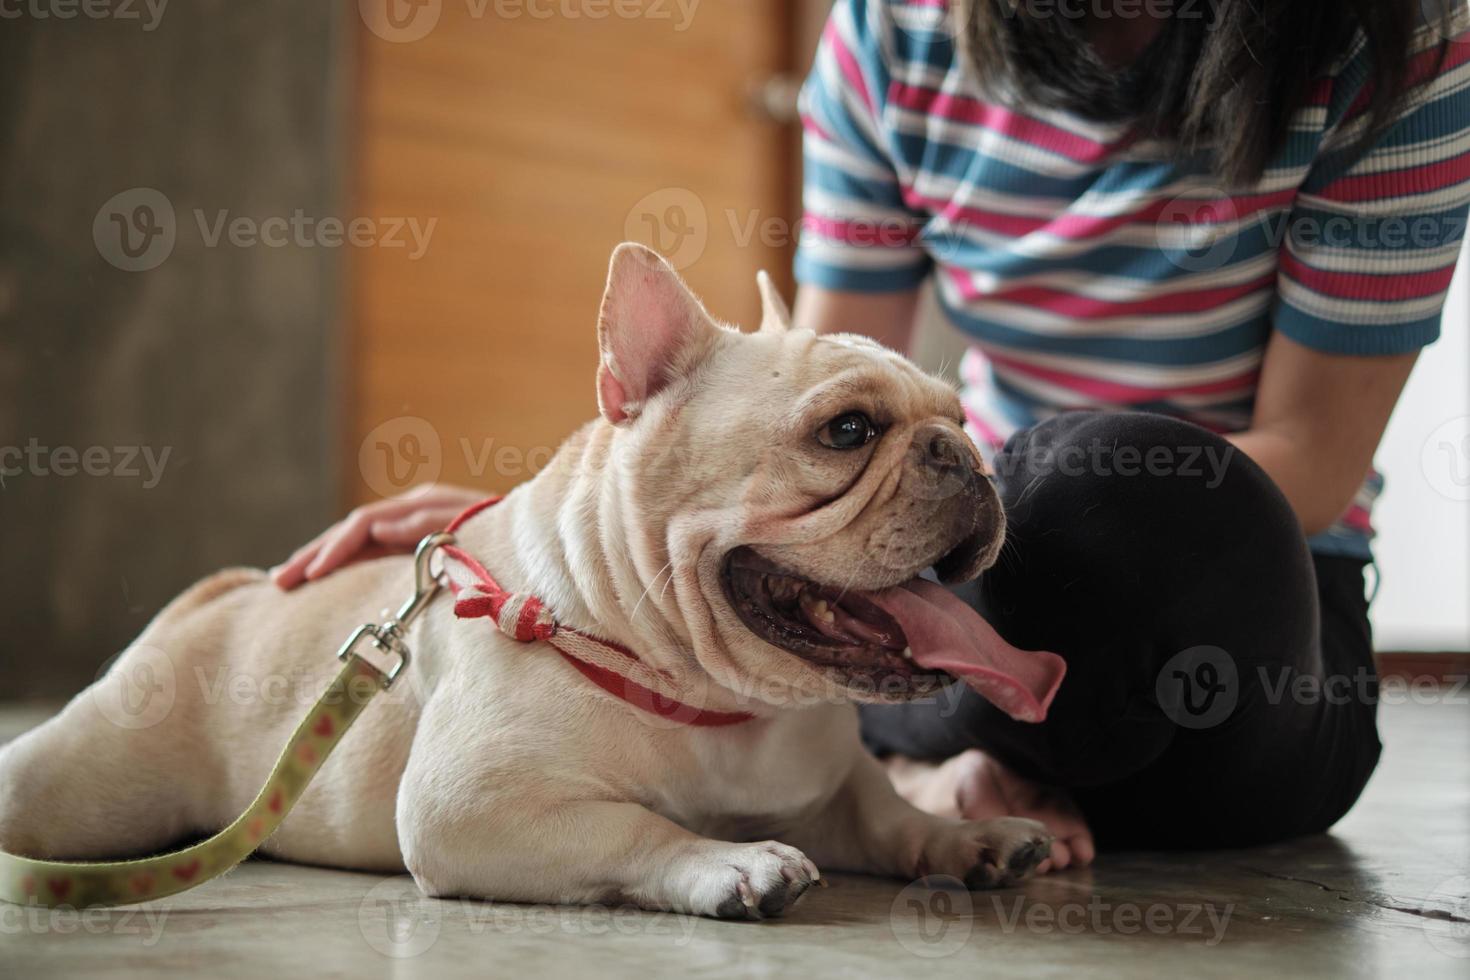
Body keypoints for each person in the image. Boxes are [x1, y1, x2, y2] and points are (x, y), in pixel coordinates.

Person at [275, 0, 1470, 875]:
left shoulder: (1401, 46)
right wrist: (549, 519)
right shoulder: (900, 29)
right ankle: (917, 786)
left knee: (1115, 492)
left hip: (1240, 641)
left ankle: (931, 768)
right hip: (946, 608)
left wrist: (1011, 496)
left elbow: (1308, 453)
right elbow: (822, 393)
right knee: (824, 586)